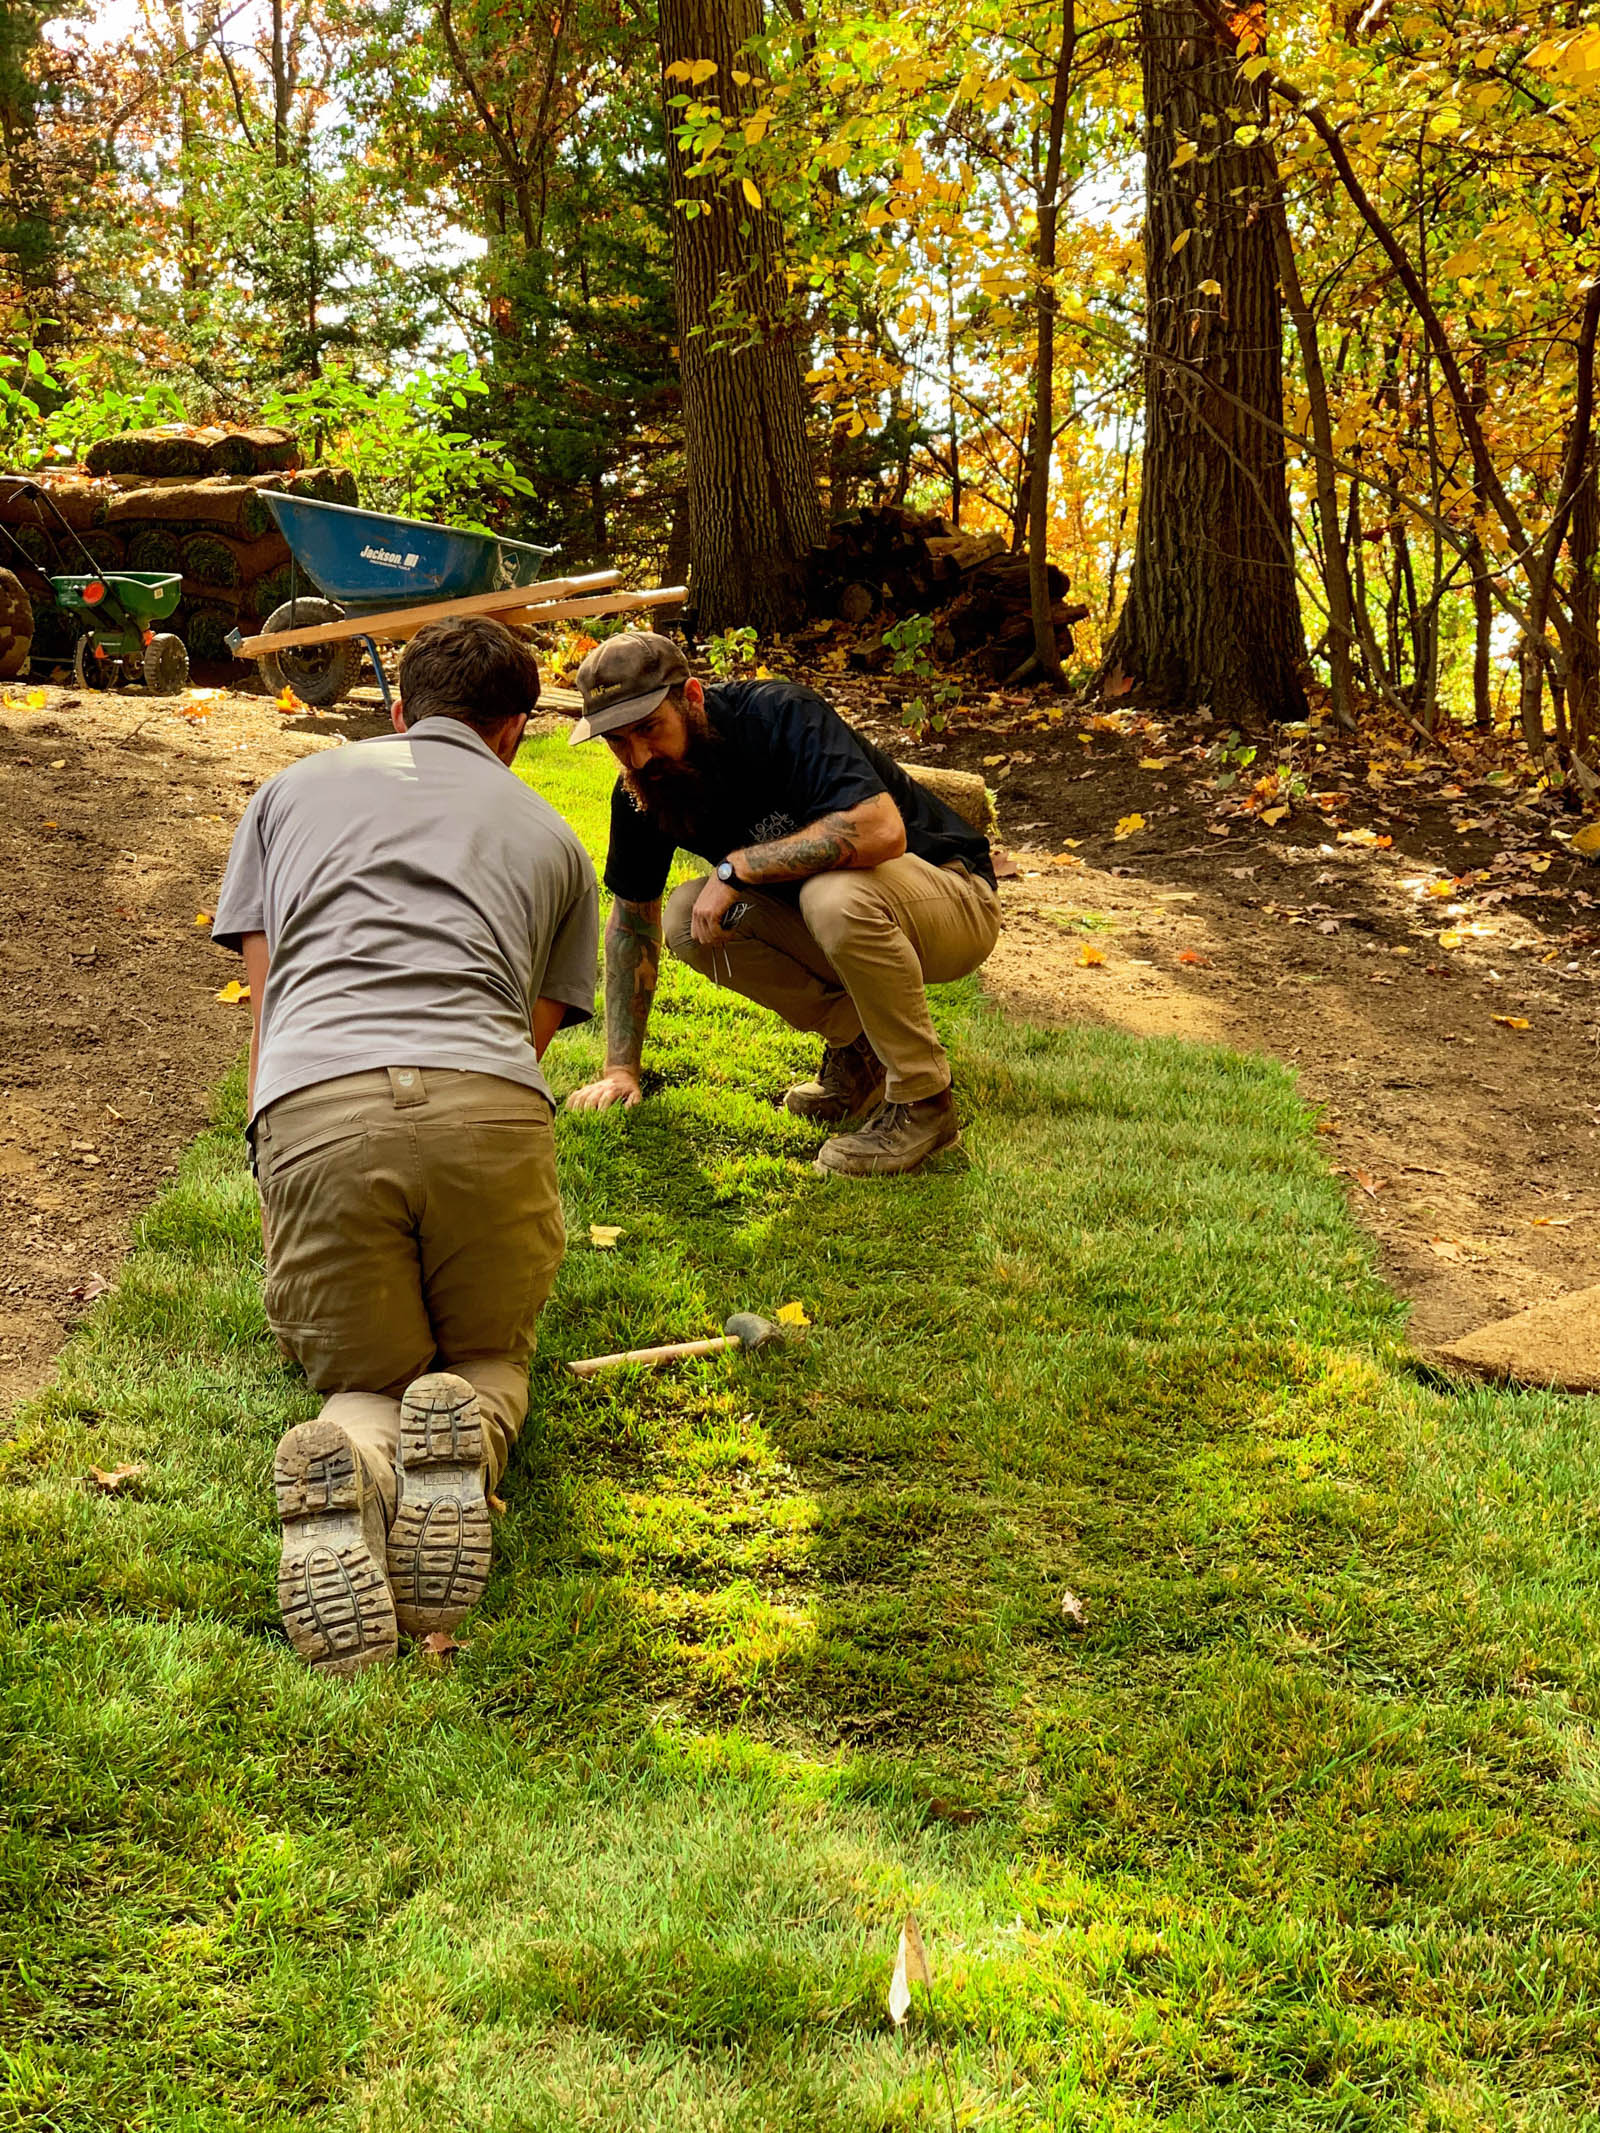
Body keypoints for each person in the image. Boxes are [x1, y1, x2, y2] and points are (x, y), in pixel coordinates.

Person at [212, 616, 598, 1676]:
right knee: (478, 1358)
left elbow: (265, 985)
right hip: (486, 1106)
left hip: (317, 1104)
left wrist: (272, 1135)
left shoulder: (290, 791)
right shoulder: (555, 837)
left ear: (399, 709)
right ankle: (460, 1444)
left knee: (368, 1374)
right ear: (515, 730)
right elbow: (535, 1029)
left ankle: (358, 1462)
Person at [564, 632, 1000, 1174]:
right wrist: (620, 1069)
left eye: (649, 729)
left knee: (832, 894)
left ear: (692, 698)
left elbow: (881, 831)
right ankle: (863, 1051)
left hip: (951, 898)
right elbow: (633, 922)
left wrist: (738, 866)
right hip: (836, 919)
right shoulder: (644, 788)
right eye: (618, 742)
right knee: (684, 916)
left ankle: (923, 1103)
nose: (640, 756)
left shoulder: (781, 714)